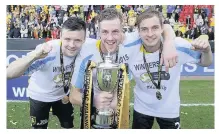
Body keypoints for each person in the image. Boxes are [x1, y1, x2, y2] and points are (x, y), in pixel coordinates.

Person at [69, 8, 177, 128]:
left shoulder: (132, 41)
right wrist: (94, 101)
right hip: (92, 116)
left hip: (121, 117)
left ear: (122, 30)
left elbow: (164, 26)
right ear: (98, 31)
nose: (110, 38)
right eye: (105, 32)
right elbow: (73, 96)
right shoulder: (86, 52)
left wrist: (169, 43)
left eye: (115, 31)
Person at [123, 9, 212, 129]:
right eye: (144, 29)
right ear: (138, 31)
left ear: (161, 29)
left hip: (169, 109)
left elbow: (205, 63)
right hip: (141, 107)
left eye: (155, 28)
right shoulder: (130, 47)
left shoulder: (178, 46)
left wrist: (206, 50)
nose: (150, 34)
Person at [7, 17, 87, 129]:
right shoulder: (49, 51)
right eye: (67, 39)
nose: (72, 45)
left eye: (77, 40)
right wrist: (35, 56)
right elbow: (8, 73)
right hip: (40, 97)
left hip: (63, 95)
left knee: (68, 126)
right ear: (60, 37)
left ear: (84, 40)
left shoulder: (86, 50)